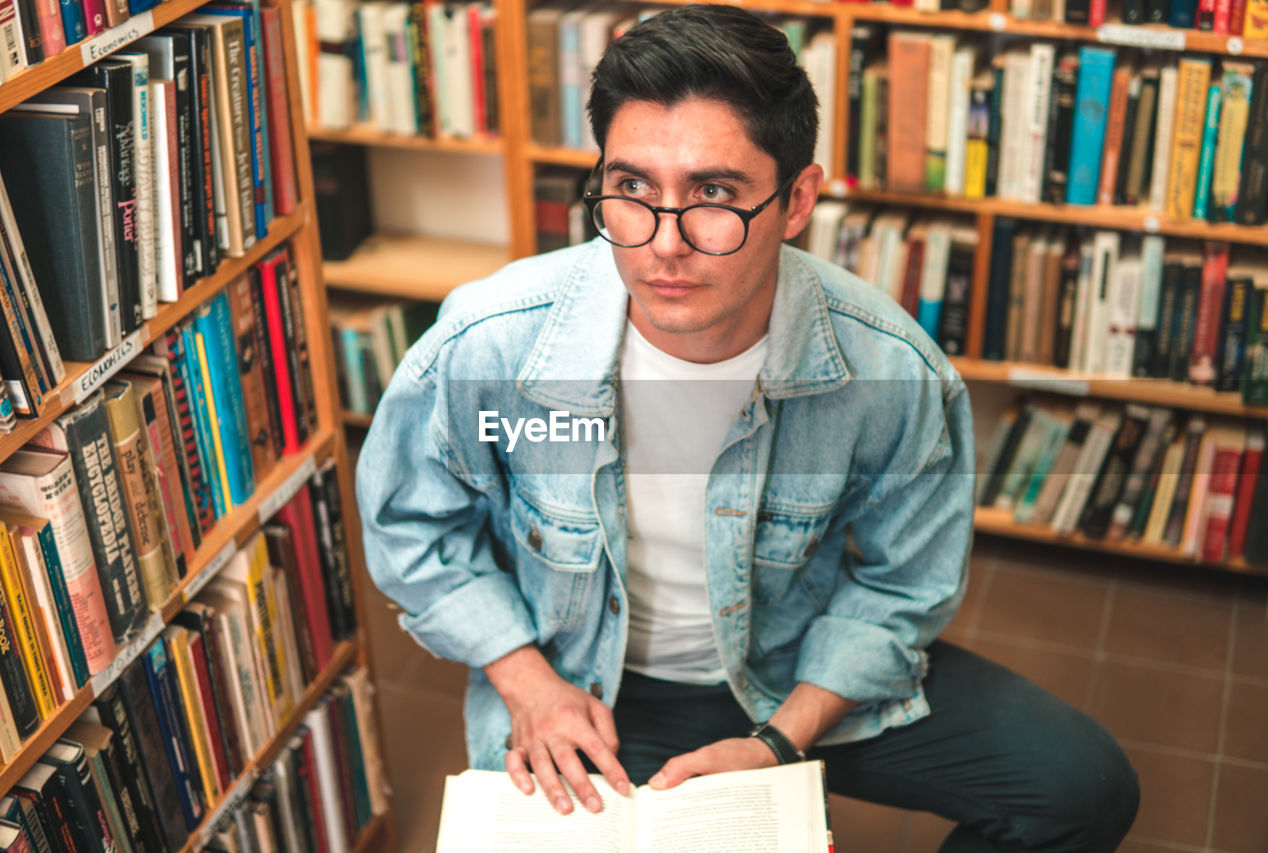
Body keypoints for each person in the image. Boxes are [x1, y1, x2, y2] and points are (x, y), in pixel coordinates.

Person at [356, 6, 1140, 850]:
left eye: (714, 195)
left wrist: (779, 741)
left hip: (789, 672)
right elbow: (410, 527)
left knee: (1082, 786)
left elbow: (903, 587)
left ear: (798, 199)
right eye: (631, 191)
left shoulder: (889, 371)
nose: (664, 244)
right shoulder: (491, 341)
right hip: (578, 683)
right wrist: (527, 682)